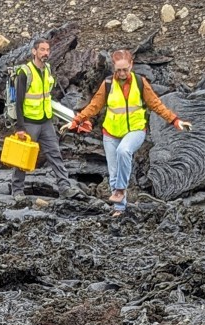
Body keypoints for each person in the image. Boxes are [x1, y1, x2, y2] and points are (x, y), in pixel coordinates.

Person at [68, 49, 192, 215]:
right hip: (110, 134)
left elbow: (156, 104)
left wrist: (175, 120)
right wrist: (77, 120)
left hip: (135, 131)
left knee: (124, 150)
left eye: (125, 69)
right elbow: (94, 106)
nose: (121, 73)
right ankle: (119, 209)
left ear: (131, 65)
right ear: (114, 68)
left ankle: (120, 190)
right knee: (113, 173)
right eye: (118, 70)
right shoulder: (108, 84)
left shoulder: (140, 83)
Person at [10, 39, 82, 201]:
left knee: (54, 153)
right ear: (34, 52)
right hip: (29, 122)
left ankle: (65, 187)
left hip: (45, 121)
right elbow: (18, 102)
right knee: (23, 156)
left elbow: (48, 95)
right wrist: (19, 127)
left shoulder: (48, 69)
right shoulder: (25, 72)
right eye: (42, 50)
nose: (45, 53)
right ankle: (17, 190)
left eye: (47, 50)